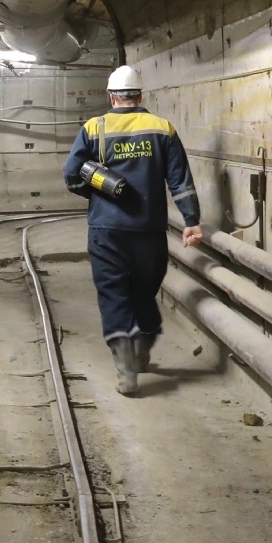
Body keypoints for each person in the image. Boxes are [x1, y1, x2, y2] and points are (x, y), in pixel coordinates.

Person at [63, 65, 204, 395]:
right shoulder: (162, 128)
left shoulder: (93, 128)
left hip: (106, 229)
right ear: (141, 95)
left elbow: (71, 177)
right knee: (144, 290)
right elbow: (180, 180)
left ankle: (125, 359)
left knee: (113, 293)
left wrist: (98, 192)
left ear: (112, 96)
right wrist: (191, 220)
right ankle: (145, 338)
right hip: (149, 230)